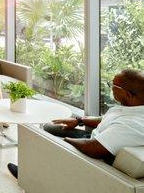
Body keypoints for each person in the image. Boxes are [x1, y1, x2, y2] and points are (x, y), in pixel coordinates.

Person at [7, 69, 144, 179]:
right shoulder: (132, 107)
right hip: (98, 138)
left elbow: (93, 149)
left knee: (45, 139)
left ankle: (29, 175)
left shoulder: (131, 124)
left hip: (96, 149)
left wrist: (63, 142)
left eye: (113, 85)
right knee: (49, 126)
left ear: (128, 94)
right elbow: (107, 119)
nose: (110, 88)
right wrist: (79, 120)